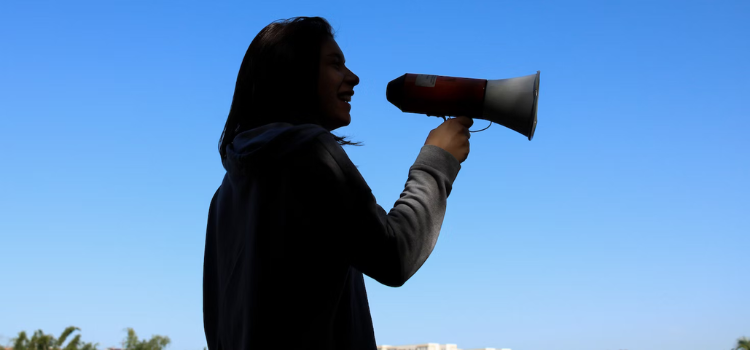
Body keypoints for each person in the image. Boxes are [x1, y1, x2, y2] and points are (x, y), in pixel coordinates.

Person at [203, 16, 473, 350]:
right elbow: (395, 256)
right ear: (293, 73)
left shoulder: (225, 194)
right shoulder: (309, 151)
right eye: (335, 64)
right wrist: (437, 160)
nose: (354, 77)